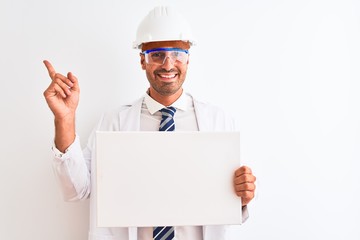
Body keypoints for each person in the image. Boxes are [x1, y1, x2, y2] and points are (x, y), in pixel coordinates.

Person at [43, 6, 256, 240]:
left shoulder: (219, 122)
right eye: (157, 55)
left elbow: (229, 202)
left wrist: (242, 198)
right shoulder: (113, 123)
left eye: (177, 54)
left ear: (188, 59)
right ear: (142, 61)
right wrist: (65, 119)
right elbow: (76, 190)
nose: (168, 64)